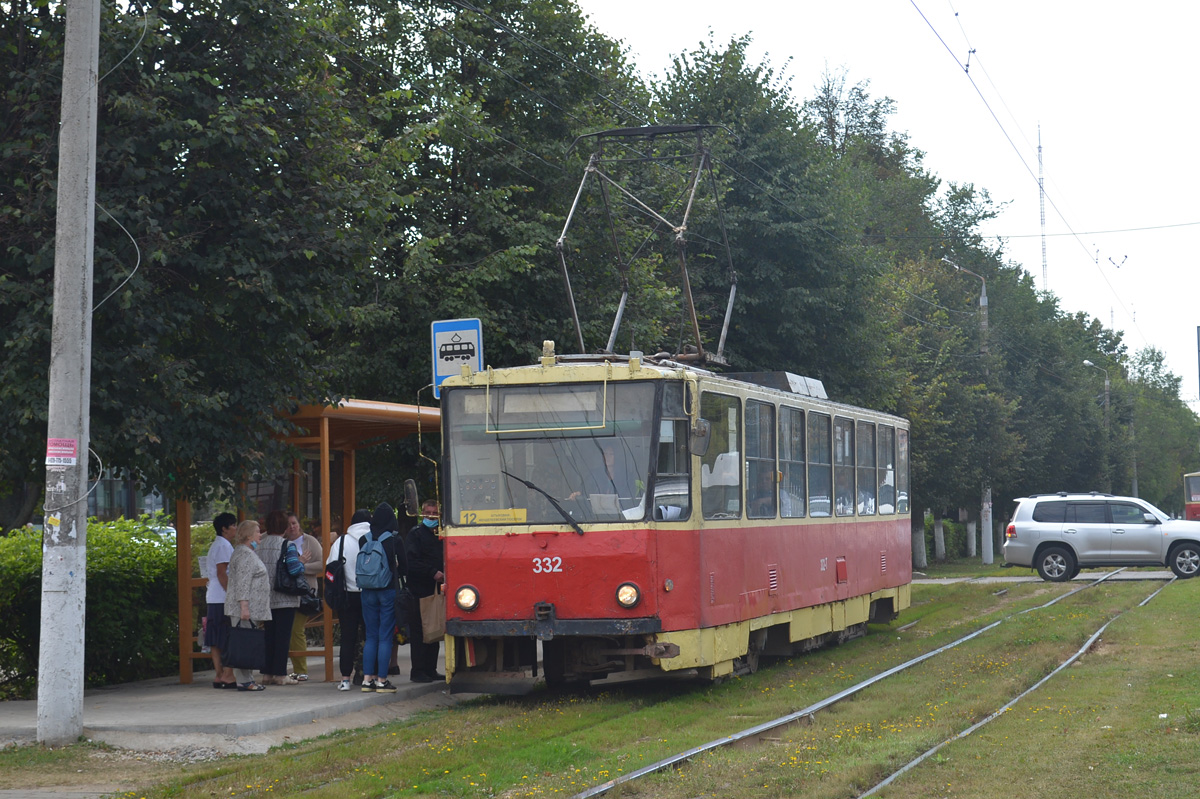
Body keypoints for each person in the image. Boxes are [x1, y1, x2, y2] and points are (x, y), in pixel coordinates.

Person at [358, 502, 405, 693]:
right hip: (387, 591)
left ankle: (367, 680)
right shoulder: (394, 540)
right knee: (385, 637)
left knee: (371, 636)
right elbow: (405, 567)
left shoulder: (363, 539)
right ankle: (382, 680)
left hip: (367, 591)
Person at [224, 520, 270, 691]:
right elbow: (243, 583)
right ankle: (244, 681)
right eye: (257, 532)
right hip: (243, 609)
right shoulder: (245, 554)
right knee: (244, 643)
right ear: (249, 535)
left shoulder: (246, 552)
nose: (260, 535)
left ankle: (247, 679)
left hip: (250, 608)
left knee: (247, 642)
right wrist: (244, 607)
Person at [327, 508, 370, 691]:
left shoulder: (341, 541)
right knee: (370, 637)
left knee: (347, 637)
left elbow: (330, 567)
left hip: (346, 595)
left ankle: (345, 678)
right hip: (369, 594)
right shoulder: (374, 539)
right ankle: (366, 675)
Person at [256, 509, 301, 686]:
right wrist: (302, 564)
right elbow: (295, 569)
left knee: (269, 635)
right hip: (285, 596)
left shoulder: (260, 544)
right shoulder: (287, 546)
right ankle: (280, 674)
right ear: (283, 527)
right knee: (283, 637)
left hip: (265, 596)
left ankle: (267, 673)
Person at [405, 499, 445, 683]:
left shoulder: (441, 534)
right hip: (419, 590)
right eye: (427, 513)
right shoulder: (416, 535)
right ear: (422, 514)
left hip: (437, 591)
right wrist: (432, 572)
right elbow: (412, 562)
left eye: (434, 513)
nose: (431, 516)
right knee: (420, 631)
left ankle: (431, 668)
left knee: (435, 629)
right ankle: (418, 670)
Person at [284, 512, 321, 681]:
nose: (292, 527)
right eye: (288, 524)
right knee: (288, 630)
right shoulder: (280, 541)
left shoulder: (310, 541)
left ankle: (301, 670)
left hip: (305, 592)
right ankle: (294, 668)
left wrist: (300, 566)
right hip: (285, 592)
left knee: (296, 630)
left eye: (294, 523)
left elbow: (322, 564)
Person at [204, 512, 238, 689]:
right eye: (233, 525)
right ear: (224, 529)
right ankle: (227, 674)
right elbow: (222, 572)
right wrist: (232, 593)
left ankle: (219, 674)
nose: (235, 528)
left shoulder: (217, 545)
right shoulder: (224, 546)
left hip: (214, 597)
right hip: (222, 597)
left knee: (215, 637)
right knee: (225, 636)